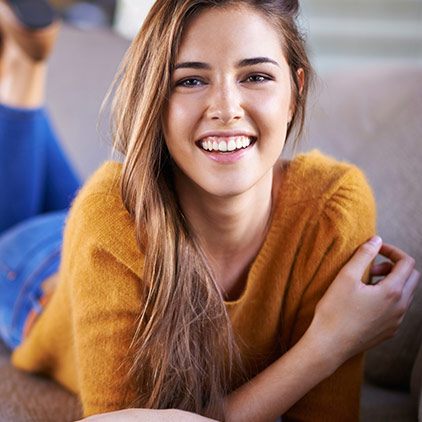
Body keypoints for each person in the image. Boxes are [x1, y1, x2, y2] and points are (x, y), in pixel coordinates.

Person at [0, 0, 419, 421]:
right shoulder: (108, 215)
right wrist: (328, 343)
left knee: (91, 202)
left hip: (110, 227)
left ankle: (27, 67)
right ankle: (25, 74)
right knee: (32, 222)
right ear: (156, 99)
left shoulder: (332, 207)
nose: (226, 108)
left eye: (256, 76)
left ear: (296, 92)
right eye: (191, 80)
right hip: (35, 276)